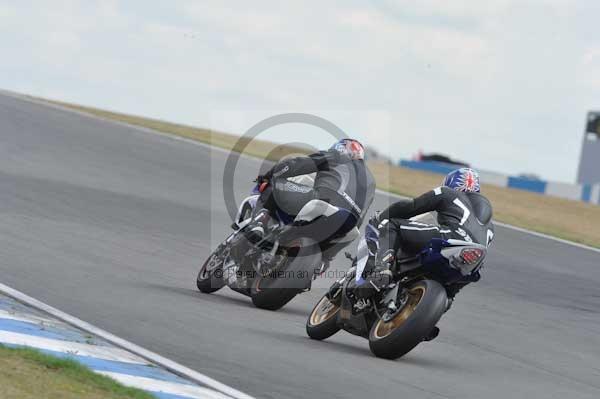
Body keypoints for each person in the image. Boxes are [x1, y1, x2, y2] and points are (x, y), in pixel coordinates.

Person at [358, 167, 494, 299]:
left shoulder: (448, 193)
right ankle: (444, 303)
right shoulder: (490, 226)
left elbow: (411, 207)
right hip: (473, 262)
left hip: (451, 237)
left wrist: (382, 216)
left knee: (391, 225)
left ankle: (381, 268)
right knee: (449, 295)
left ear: (451, 182)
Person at [247, 138, 376, 267]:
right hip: (348, 223)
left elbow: (299, 165)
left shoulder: (337, 155)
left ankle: (258, 225)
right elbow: (362, 215)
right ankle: (321, 262)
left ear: (341, 147)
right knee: (336, 247)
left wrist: (269, 175)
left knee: (274, 185)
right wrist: (328, 256)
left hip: (324, 200)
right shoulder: (371, 181)